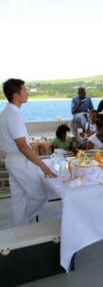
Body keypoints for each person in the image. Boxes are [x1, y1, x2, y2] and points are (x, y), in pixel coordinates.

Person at [0, 78, 57, 226]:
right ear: (16, 95)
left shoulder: (7, 112)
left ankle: (19, 231)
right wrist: (42, 166)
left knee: (19, 199)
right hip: (19, 160)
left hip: (12, 160)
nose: (27, 92)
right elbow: (23, 146)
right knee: (40, 194)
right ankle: (26, 223)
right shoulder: (13, 113)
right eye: (24, 90)